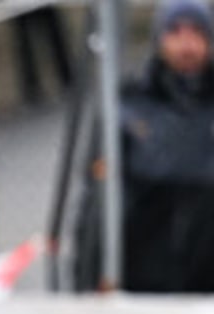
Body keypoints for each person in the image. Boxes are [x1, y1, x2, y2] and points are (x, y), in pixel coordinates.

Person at [75, 0, 214, 291]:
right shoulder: (129, 107)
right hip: (142, 279)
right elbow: (96, 200)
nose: (186, 44)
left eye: (197, 33)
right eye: (175, 32)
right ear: (159, 39)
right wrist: (88, 276)